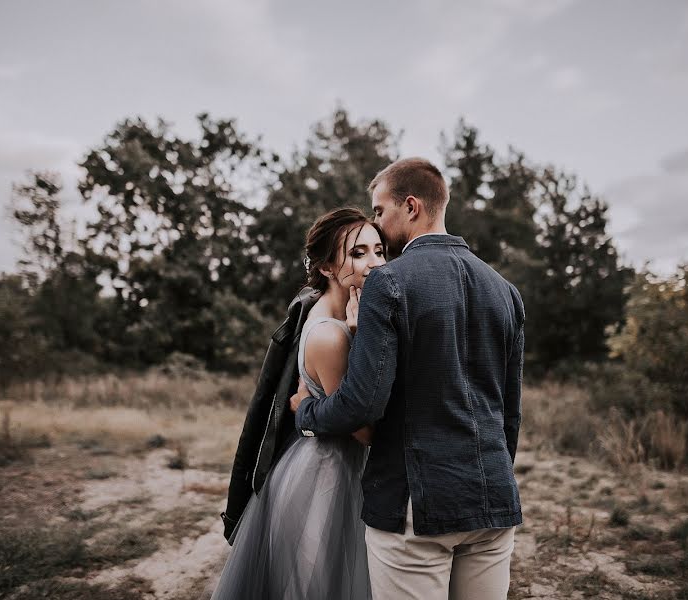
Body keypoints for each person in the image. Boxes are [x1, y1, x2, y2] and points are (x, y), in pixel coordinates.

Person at [291, 158, 526, 600]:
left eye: (380, 211)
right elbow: (509, 412)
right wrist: (490, 477)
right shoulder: (505, 290)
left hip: (417, 506)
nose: (377, 223)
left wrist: (306, 409)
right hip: (492, 498)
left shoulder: (388, 282)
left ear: (411, 206)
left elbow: (362, 405)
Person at [212, 207, 386, 600]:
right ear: (325, 266)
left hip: (334, 466)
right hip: (326, 476)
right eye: (358, 254)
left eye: (379, 250)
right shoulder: (332, 335)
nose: (375, 263)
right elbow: (364, 430)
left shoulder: (347, 316)